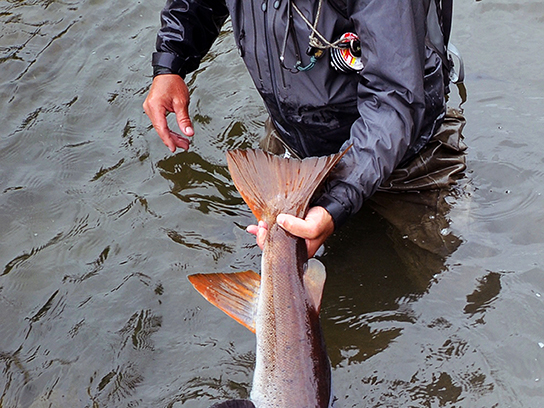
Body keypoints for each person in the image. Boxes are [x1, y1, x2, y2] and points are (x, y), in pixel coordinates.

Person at [143, 0, 465, 258]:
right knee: (264, 260)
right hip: (293, 142)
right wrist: (171, 64)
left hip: (406, 155)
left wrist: (336, 202)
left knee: (447, 264)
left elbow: (394, 99)